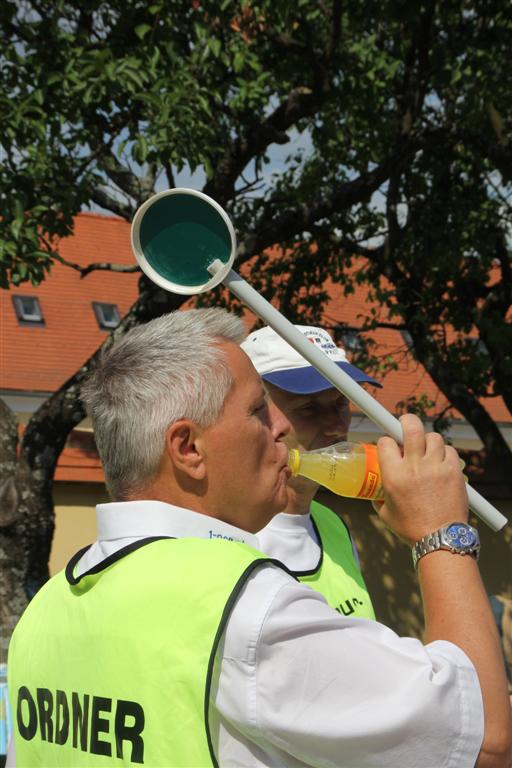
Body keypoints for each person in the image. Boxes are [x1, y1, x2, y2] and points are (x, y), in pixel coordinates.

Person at [7, 308, 512, 767]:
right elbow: (485, 738)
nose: (279, 427)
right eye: (257, 411)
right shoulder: (249, 609)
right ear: (188, 448)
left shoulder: (50, 606)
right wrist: (440, 533)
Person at [242, 325, 380, 619]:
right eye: (308, 407)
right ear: (255, 413)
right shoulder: (229, 534)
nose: (336, 426)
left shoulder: (332, 525)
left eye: (341, 403)